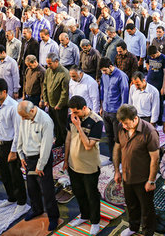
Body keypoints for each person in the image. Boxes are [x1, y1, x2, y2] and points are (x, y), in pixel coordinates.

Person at [113, 104, 160, 236]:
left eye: (127, 123)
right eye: (122, 123)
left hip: (143, 178)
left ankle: (147, 232)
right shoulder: (120, 126)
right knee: (131, 204)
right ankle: (133, 227)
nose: (124, 126)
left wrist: (151, 180)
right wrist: (117, 171)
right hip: (127, 176)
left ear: (135, 119)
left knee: (146, 209)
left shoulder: (149, 131)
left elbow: (155, 159)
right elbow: (117, 149)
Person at [17, 100, 60, 231]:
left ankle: (53, 216)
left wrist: (40, 166)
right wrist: (20, 154)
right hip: (28, 158)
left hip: (41, 160)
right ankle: (37, 209)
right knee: (31, 187)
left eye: (24, 116)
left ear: (31, 111)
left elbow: (46, 146)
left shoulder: (46, 121)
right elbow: (20, 135)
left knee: (47, 190)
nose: (23, 119)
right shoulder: (25, 116)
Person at [63, 95, 103, 235]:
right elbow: (68, 139)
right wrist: (65, 159)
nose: (73, 115)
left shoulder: (97, 121)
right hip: (73, 165)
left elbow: (88, 146)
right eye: (72, 112)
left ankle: (95, 222)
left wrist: (79, 127)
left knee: (91, 195)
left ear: (84, 108)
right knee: (78, 192)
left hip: (89, 167)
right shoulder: (71, 117)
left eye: (76, 112)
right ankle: (84, 216)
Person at [0, 78, 27, 211]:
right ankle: (11, 198)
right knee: (4, 173)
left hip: (10, 145)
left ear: (4, 92)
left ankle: (22, 202)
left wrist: (14, 151)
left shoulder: (13, 106)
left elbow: (18, 131)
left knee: (15, 175)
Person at [99, 57, 130, 158]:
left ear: (111, 66)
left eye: (105, 70)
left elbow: (124, 95)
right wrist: (101, 106)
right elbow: (102, 90)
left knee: (118, 137)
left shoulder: (121, 76)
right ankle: (113, 156)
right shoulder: (104, 75)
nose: (103, 72)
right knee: (109, 136)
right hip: (106, 110)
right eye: (102, 71)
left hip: (116, 112)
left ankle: (121, 158)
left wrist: (122, 115)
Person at [41, 52, 69, 147]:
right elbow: (45, 85)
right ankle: (58, 141)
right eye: (47, 63)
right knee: (55, 125)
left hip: (60, 106)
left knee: (62, 126)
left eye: (50, 63)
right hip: (50, 104)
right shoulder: (48, 71)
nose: (48, 66)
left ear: (56, 61)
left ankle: (66, 144)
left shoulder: (64, 73)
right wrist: (45, 100)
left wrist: (59, 105)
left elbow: (65, 92)